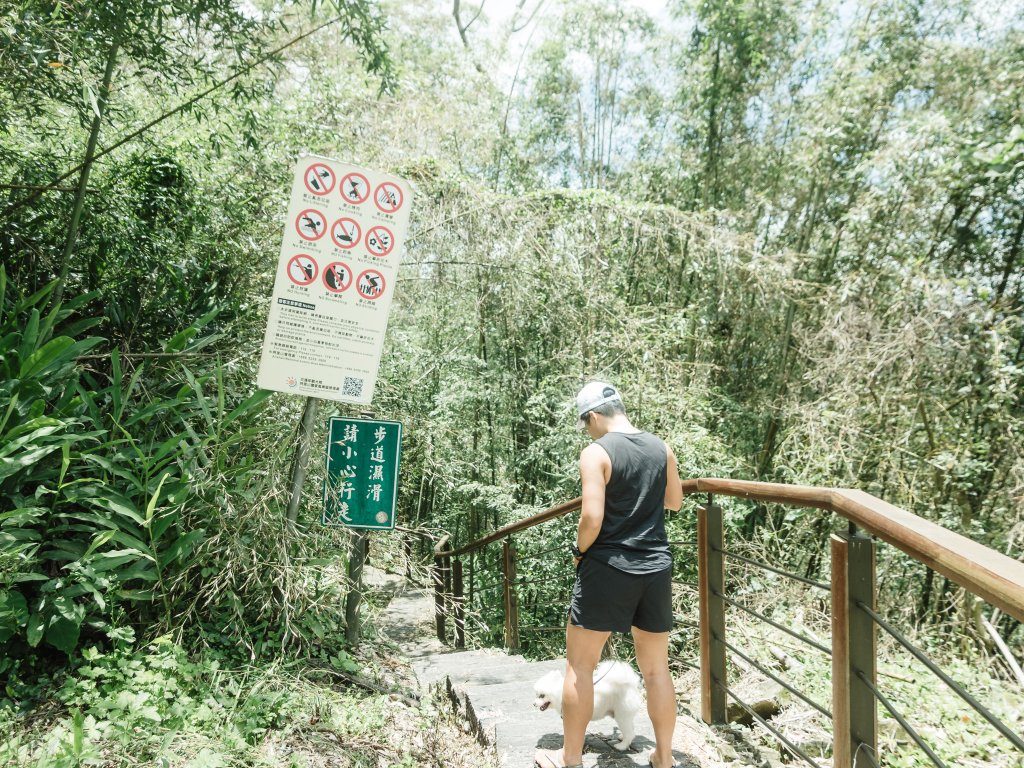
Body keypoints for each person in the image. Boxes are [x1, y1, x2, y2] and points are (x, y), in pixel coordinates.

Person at [535, 381, 683, 768]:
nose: (587, 431)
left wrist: (580, 551)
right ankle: (664, 758)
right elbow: (675, 501)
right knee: (656, 669)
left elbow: (591, 517)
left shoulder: (596, 452)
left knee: (580, 666)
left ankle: (571, 759)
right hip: (655, 566)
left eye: (585, 424)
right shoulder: (661, 447)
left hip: (607, 568)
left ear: (594, 415)